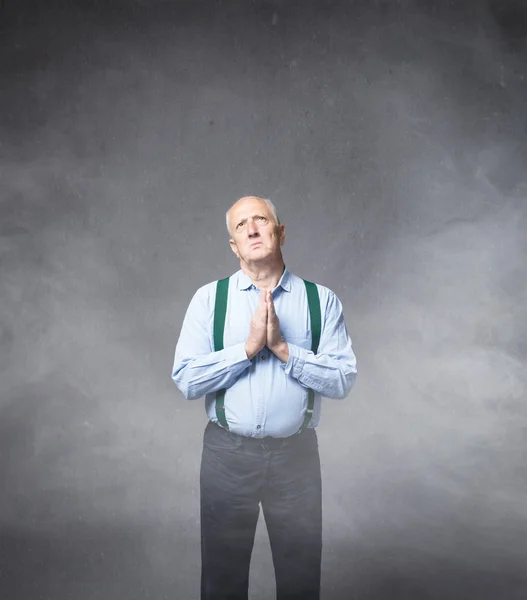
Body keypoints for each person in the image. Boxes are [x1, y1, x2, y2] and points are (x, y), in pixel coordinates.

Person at [171, 195, 357, 600]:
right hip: (227, 455)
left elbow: (343, 379)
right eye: (241, 226)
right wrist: (249, 348)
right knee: (222, 580)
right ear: (234, 246)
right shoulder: (209, 299)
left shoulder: (320, 301)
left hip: (297, 458)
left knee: (301, 579)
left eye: (261, 220)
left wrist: (285, 350)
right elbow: (185, 378)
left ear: (280, 232)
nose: (252, 229)